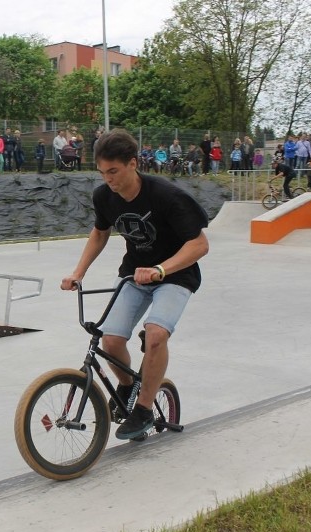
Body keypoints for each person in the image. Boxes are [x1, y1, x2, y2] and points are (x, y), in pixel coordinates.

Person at [60, 129, 209, 440]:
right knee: (111, 341)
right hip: (134, 274)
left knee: (155, 335)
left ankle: (143, 410)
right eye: (102, 173)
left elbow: (198, 245)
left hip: (176, 274)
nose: (109, 180)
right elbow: (100, 233)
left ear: (132, 163)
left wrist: (160, 269)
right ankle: (129, 390)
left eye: (113, 171)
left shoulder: (165, 195)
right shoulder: (104, 196)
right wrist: (78, 272)